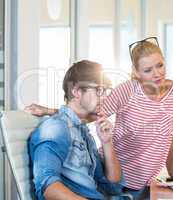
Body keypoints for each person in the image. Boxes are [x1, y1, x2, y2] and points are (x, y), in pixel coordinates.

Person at [26, 37, 173, 200]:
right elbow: (88, 112)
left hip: (144, 181)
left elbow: (171, 136)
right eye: (148, 70)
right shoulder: (57, 128)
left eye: (160, 65)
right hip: (123, 182)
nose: (156, 74)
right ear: (136, 72)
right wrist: (52, 111)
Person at [29, 60, 124, 200]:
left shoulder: (83, 132)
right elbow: (47, 186)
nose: (104, 97)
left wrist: (107, 142)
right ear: (77, 92)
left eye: (106, 91)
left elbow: (113, 185)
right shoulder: (55, 128)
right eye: (99, 90)